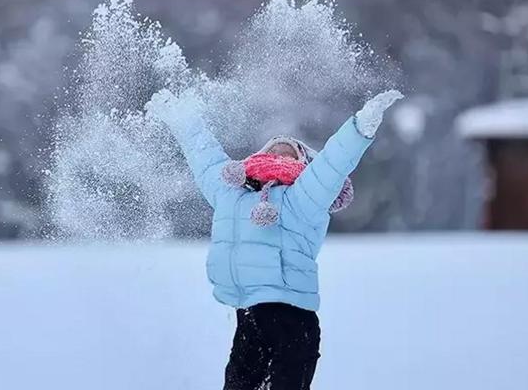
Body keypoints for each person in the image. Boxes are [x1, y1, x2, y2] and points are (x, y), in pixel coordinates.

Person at [145, 88, 404, 390]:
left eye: (289, 152)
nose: (279, 154)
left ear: (305, 164)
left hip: (293, 319)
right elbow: (204, 157)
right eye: (273, 150)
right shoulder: (232, 193)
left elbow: (333, 163)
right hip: (249, 316)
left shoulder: (305, 196)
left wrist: (360, 127)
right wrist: (183, 118)